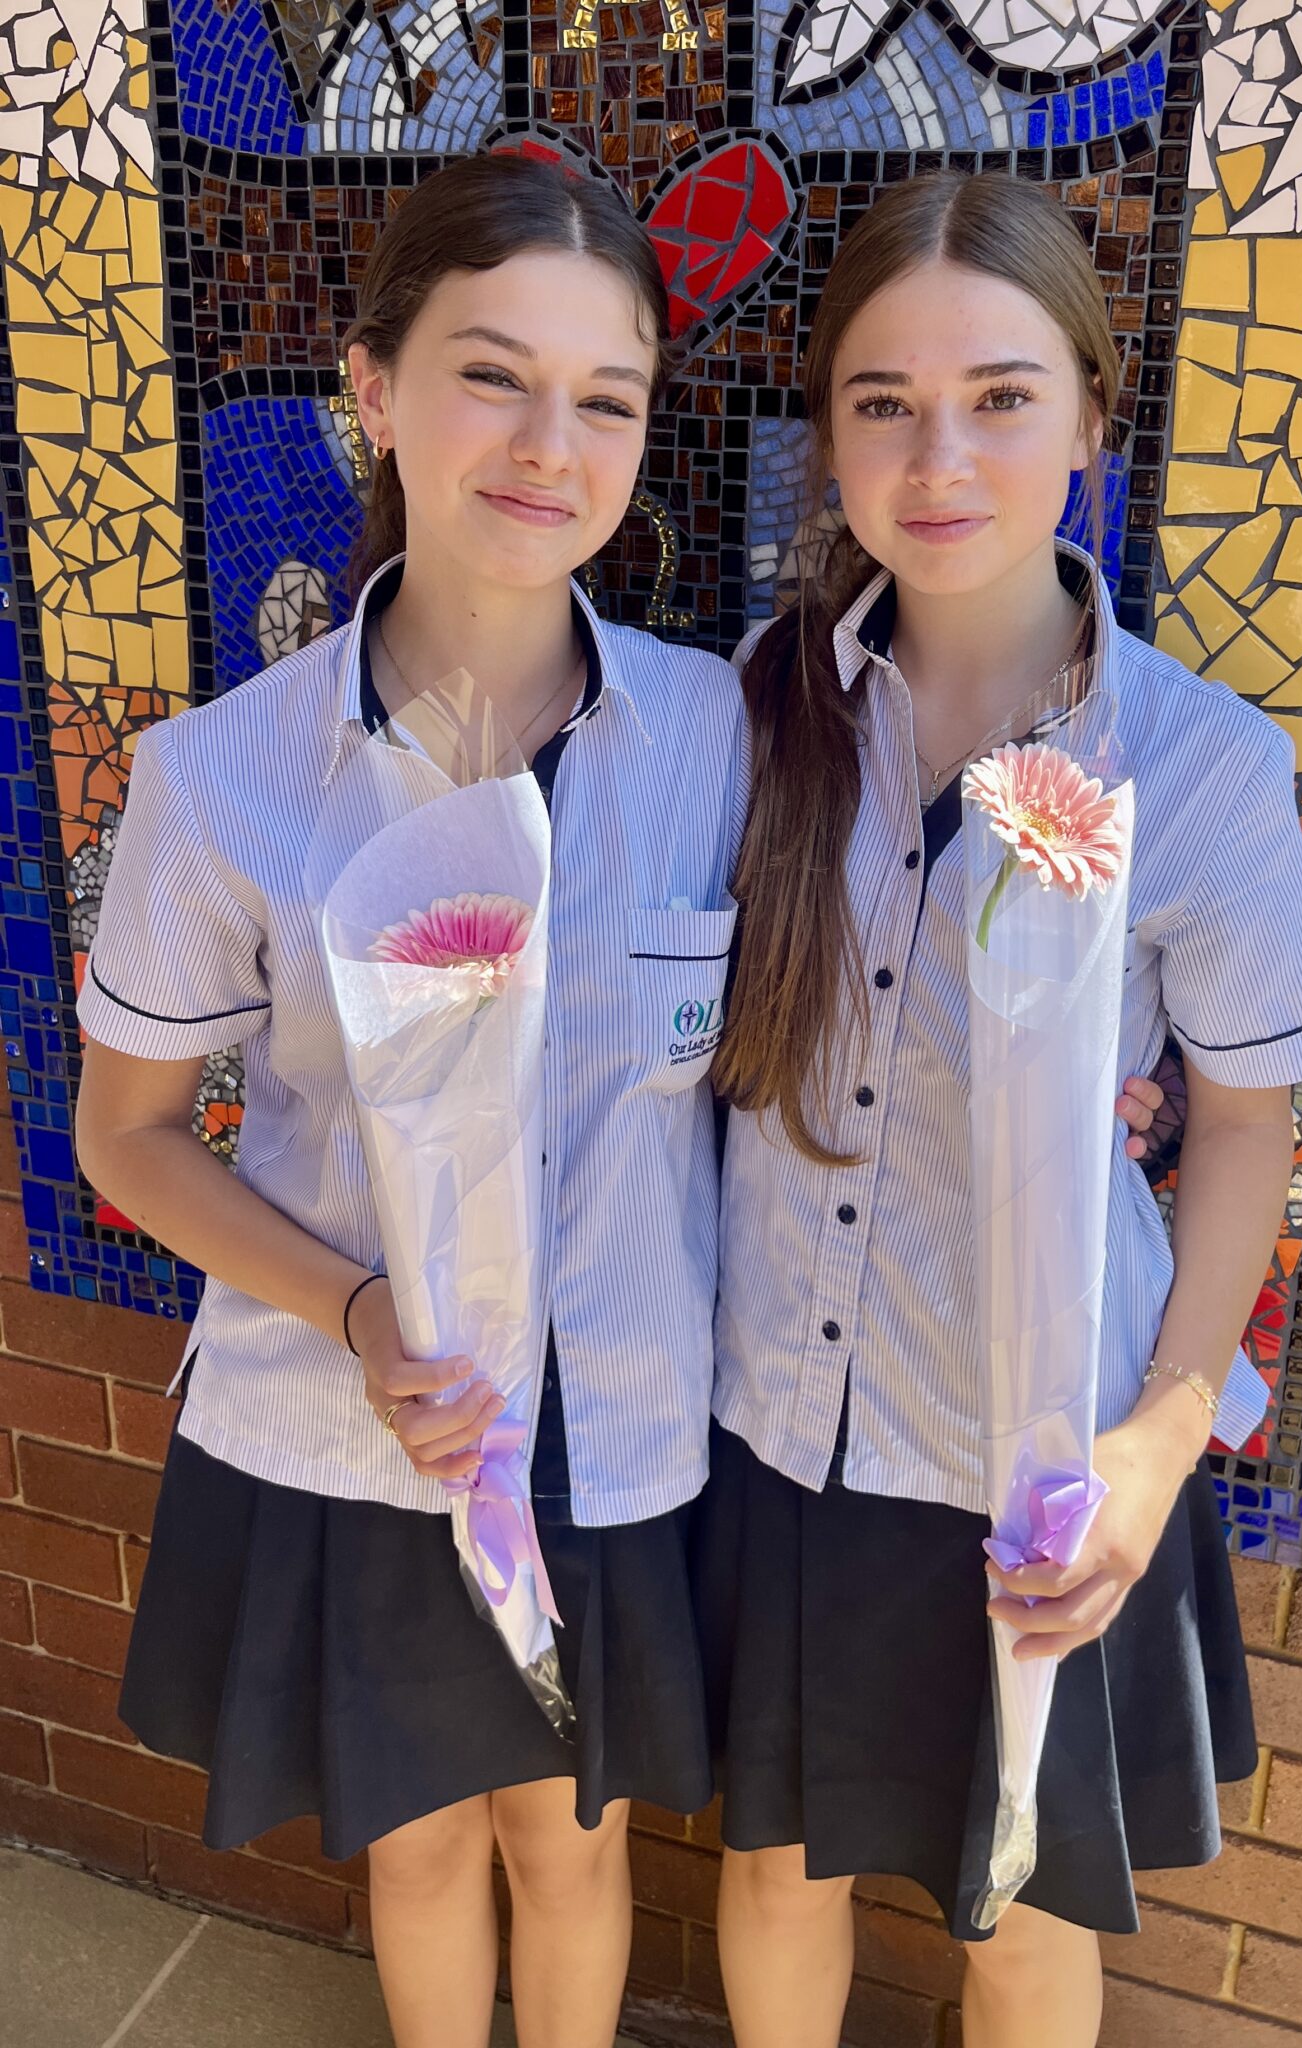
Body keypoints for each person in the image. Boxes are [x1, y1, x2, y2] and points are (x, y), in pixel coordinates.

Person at [73, 153, 747, 2048]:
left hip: (616, 1419)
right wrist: (359, 1309)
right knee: (429, 1844)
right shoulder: (226, 775)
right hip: (366, 1427)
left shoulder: (717, 736)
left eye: (605, 398)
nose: (549, 445)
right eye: (491, 375)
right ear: (373, 388)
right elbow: (126, 1134)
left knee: (576, 1844)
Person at [698, 168, 1302, 2048]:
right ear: (828, 435)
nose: (940, 459)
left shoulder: (1201, 766)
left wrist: (1158, 1436)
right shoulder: (759, 712)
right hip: (783, 1420)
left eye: (1000, 397)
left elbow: (1248, 1125)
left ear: (1088, 416)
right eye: (883, 402)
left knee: (1019, 1903)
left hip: (1041, 1444)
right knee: (773, 1863)